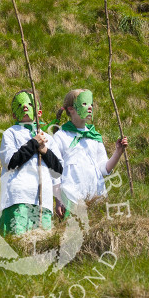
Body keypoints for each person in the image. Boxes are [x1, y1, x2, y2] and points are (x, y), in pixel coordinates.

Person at [52, 89, 128, 218]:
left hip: (96, 196)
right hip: (71, 197)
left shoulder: (94, 137)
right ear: (71, 109)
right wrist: (58, 199)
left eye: (91, 104)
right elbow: (55, 172)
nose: (89, 107)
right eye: (84, 104)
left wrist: (118, 152)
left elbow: (104, 168)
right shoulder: (61, 136)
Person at [0, 90, 62, 235]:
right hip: (18, 197)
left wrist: (44, 151)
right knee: (16, 241)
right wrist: (33, 144)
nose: (25, 106)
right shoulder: (10, 133)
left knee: (41, 244)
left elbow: (57, 170)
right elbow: (11, 162)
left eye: (29, 103)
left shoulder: (48, 139)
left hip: (42, 201)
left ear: (39, 112)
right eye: (20, 104)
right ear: (14, 114)